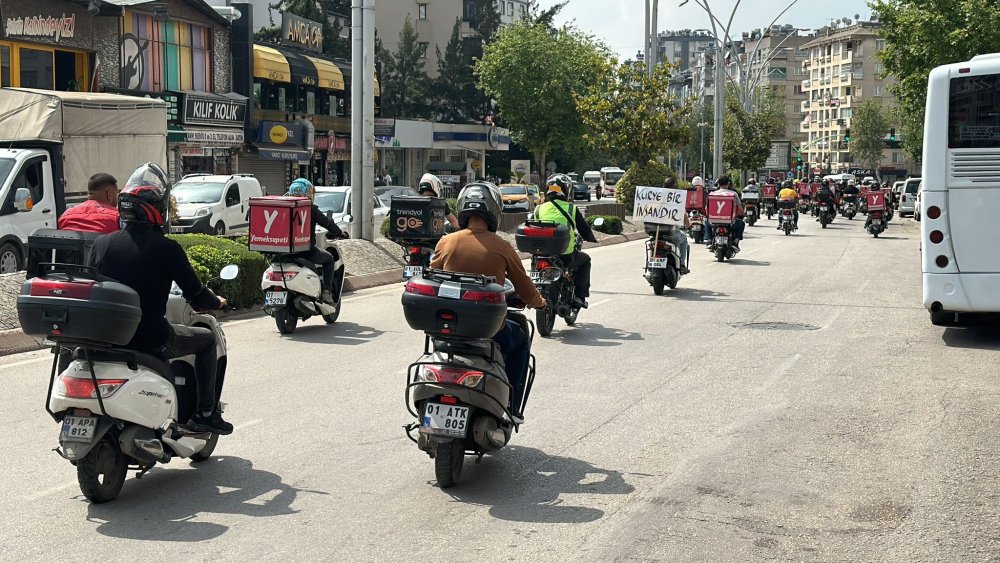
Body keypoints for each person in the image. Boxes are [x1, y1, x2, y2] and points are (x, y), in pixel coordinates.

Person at [89, 163, 232, 435]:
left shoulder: (101, 244)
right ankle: (204, 414)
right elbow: (197, 294)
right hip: (150, 338)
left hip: (106, 337)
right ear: (157, 209)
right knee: (206, 340)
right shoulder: (167, 248)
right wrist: (216, 302)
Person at [430, 182, 546, 420]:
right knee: (520, 340)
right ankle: (512, 406)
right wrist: (540, 303)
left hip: (448, 328)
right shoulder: (501, 246)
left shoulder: (446, 242)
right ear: (494, 211)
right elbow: (525, 287)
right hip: (489, 330)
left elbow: (432, 278)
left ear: (463, 208)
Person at [533, 174, 599, 308]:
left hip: (541, 254)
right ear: (566, 190)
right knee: (586, 261)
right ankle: (580, 296)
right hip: (565, 255)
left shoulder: (538, 209)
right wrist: (592, 239)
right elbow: (584, 229)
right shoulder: (571, 209)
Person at [286, 178, 348, 303]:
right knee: (329, 259)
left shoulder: (284, 208)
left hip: (283, 252)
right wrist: (339, 232)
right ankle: (326, 292)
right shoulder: (311, 208)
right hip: (306, 252)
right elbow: (327, 223)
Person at [660, 177, 691, 274]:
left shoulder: (657, 196)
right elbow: (683, 215)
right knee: (684, 239)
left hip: (656, 233)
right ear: (674, 186)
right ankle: (681, 264)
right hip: (672, 234)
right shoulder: (676, 198)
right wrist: (688, 224)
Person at [712, 176, 745, 247]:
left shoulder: (712, 194)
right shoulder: (733, 194)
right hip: (730, 222)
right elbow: (740, 209)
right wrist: (741, 213)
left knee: (706, 223)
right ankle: (736, 241)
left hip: (714, 221)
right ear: (728, 184)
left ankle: (709, 240)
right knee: (741, 223)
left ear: (718, 184)